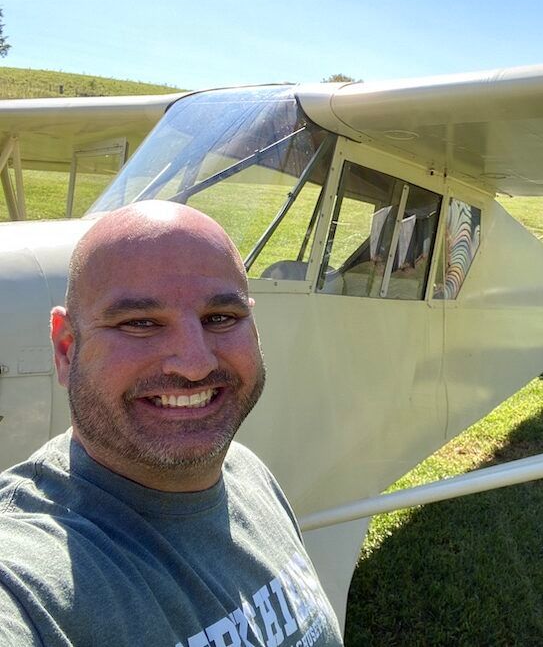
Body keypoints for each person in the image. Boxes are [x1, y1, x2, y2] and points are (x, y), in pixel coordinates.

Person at [0, 201, 343, 647]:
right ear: (67, 348)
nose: (196, 364)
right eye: (140, 323)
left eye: (221, 318)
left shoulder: (245, 472)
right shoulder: (25, 584)